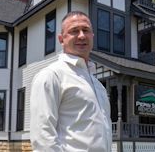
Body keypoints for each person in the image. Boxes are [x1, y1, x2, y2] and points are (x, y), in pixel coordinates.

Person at [30, 11, 112, 152]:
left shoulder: (98, 85)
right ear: (61, 39)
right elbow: (42, 136)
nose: (81, 35)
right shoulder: (51, 76)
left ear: (92, 36)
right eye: (74, 31)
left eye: (86, 30)